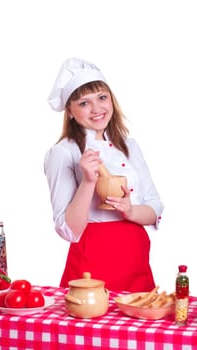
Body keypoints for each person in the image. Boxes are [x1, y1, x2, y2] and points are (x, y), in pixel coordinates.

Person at [44, 57, 164, 293]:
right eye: (84, 103)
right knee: (88, 328)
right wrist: (88, 182)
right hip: (92, 266)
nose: (97, 109)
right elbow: (68, 229)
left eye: (102, 97)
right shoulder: (63, 153)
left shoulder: (130, 146)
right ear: (70, 110)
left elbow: (154, 208)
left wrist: (129, 210)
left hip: (135, 261)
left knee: (139, 328)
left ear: (111, 99)